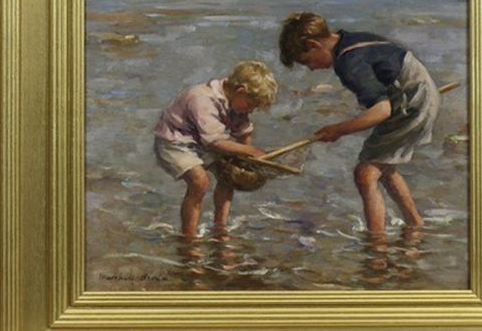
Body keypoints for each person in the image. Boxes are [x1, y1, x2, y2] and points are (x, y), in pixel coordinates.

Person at [278, 12, 440, 239]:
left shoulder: (349, 63)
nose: (311, 69)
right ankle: (414, 224)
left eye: (307, 61)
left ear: (314, 45)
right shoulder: (350, 39)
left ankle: (377, 242)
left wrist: (339, 129)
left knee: (365, 174)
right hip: (419, 93)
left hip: (411, 103)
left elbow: (382, 110)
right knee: (384, 167)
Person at [153, 61, 277, 239]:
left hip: (202, 142)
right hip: (175, 142)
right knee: (200, 182)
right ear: (240, 91)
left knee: (228, 175)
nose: (251, 110)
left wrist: (245, 161)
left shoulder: (237, 102)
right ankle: (189, 238)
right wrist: (251, 151)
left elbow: (243, 132)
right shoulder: (202, 98)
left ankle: (220, 227)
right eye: (251, 104)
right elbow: (214, 142)